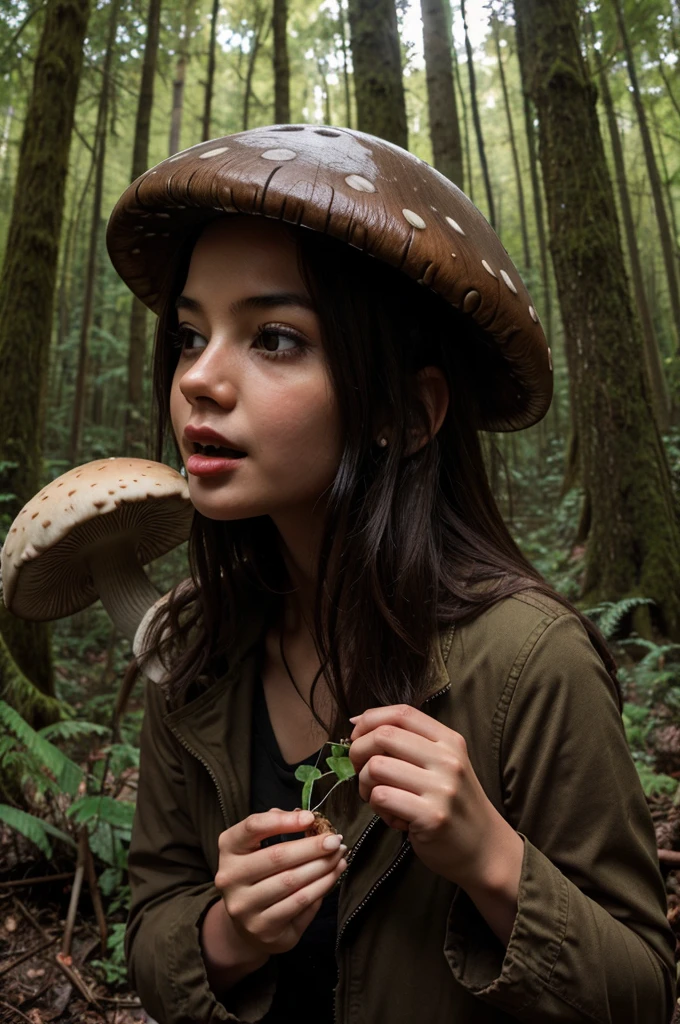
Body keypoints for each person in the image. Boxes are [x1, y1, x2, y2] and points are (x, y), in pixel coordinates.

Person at [105, 124, 676, 1024]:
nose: (199, 381)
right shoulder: (196, 655)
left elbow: (641, 993)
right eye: (188, 335)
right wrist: (228, 935)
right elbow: (153, 926)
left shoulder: (534, 662)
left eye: (275, 338)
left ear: (409, 414)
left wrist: (492, 857)